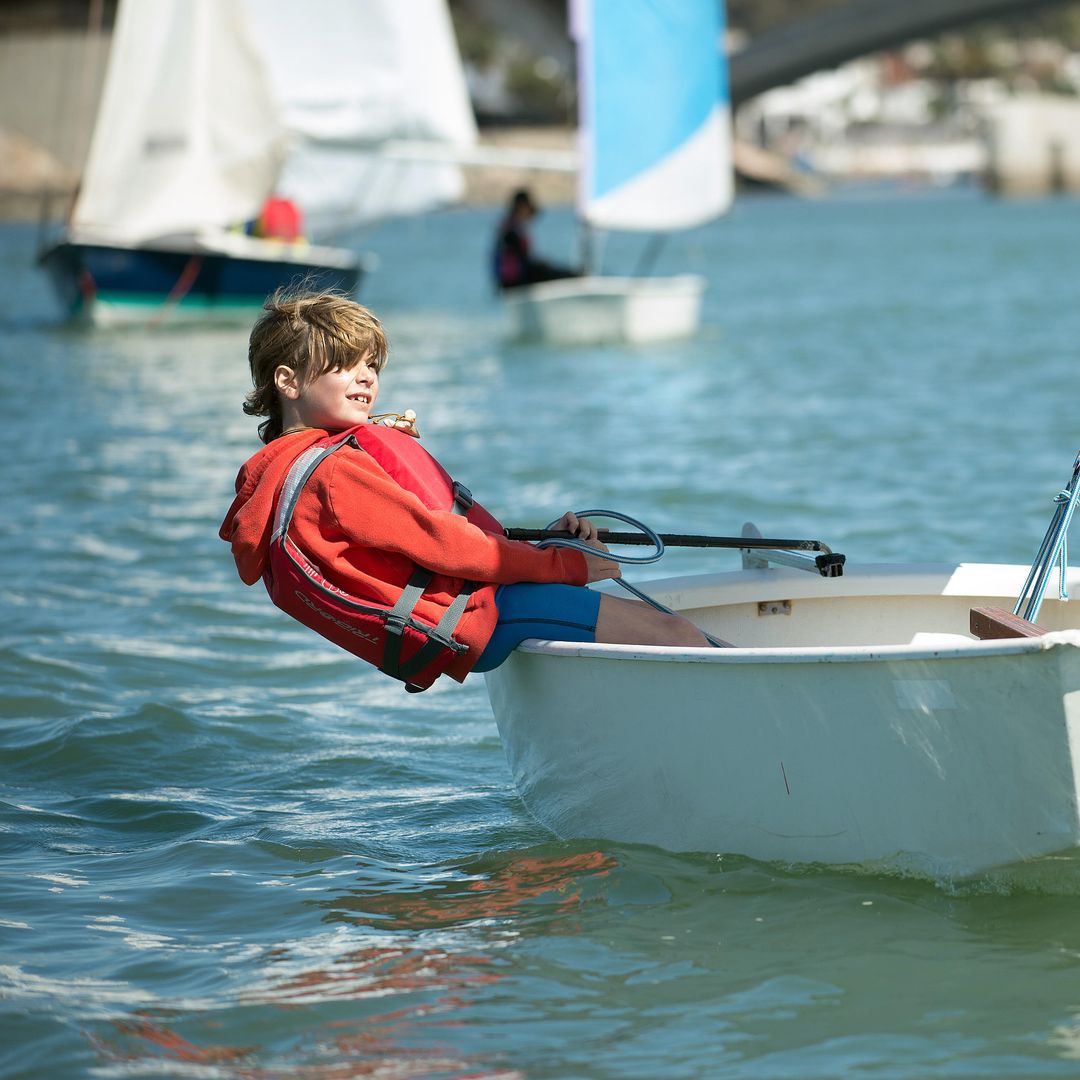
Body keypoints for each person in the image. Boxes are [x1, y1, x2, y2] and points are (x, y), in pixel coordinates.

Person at [219, 289, 711, 691]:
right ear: (288, 380)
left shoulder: (282, 475)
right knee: (678, 635)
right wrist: (570, 566)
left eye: (372, 365)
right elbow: (443, 543)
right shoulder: (333, 473)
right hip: (482, 617)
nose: (367, 377)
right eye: (345, 365)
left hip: (461, 616)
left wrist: (544, 547)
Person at [492, 188, 579, 290]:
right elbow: (523, 260)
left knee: (555, 271)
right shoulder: (511, 231)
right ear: (522, 206)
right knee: (566, 274)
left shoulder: (509, 227)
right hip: (515, 281)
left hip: (512, 280)